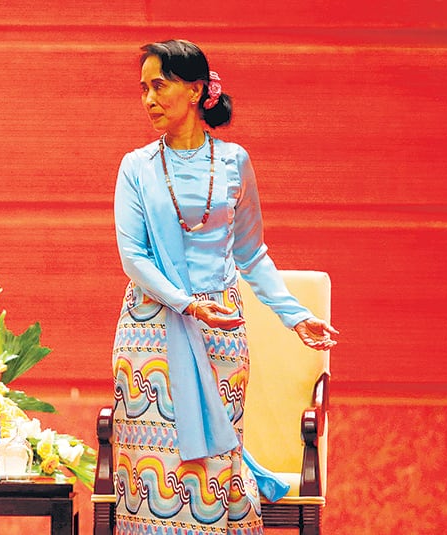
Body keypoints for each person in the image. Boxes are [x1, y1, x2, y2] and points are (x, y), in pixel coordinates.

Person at [111, 39, 337, 535]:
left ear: (195, 91)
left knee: (213, 471)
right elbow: (135, 258)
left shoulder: (234, 162)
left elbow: (251, 252)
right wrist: (188, 304)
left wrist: (296, 316)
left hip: (222, 334)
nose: (148, 99)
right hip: (151, 336)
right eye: (143, 89)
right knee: (155, 476)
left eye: (159, 85)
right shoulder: (137, 167)